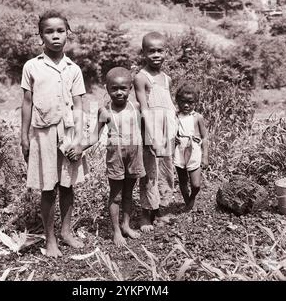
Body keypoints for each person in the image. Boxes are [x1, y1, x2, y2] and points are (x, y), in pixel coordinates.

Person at [20, 10, 87, 258]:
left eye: (60, 31)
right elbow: (26, 102)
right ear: (41, 36)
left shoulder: (73, 69)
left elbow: (80, 105)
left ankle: (66, 232)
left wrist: (79, 140)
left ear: (67, 34)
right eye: (49, 31)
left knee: (68, 185)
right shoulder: (32, 66)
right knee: (48, 188)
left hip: (68, 133)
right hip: (43, 134)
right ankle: (50, 241)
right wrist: (23, 136)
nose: (55, 36)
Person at [73, 67, 145, 246]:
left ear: (130, 89)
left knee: (129, 193)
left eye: (123, 88)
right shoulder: (104, 111)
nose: (119, 92)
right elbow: (96, 135)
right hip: (116, 157)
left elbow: (146, 128)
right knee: (116, 195)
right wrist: (81, 147)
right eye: (114, 88)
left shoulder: (136, 107)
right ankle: (116, 231)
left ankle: (126, 225)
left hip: (135, 154)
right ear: (107, 88)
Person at [133, 31, 177, 232]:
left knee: (166, 171)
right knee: (150, 172)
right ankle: (145, 212)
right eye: (152, 51)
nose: (156, 55)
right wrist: (150, 137)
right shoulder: (141, 78)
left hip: (168, 132)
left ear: (166, 52)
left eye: (160, 51)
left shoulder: (166, 78)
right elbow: (144, 108)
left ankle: (162, 210)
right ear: (144, 52)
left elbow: (169, 107)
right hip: (151, 131)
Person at [174, 85, 208, 211]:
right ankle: (187, 202)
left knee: (196, 184)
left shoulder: (198, 117)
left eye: (190, 103)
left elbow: (204, 137)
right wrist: (173, 137)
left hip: (194, 151)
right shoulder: (175, 116)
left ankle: (192, 198)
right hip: (179, 150)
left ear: (196, 103)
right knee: (182, 180)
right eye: (183, 102)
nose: (186, 105)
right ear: (177, 101)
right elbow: (169, 131)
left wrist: (205, 156)